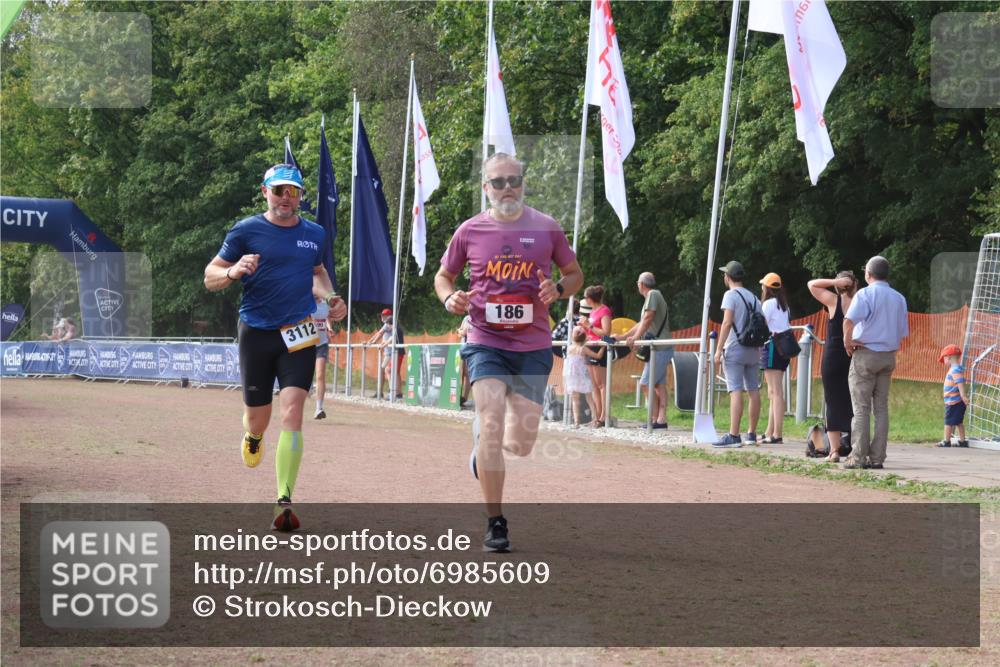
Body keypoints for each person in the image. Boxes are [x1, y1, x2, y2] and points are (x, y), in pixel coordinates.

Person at [434, 152, 583, 552]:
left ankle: (480, 458)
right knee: (491, 419)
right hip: (485, 341)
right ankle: (495, 523)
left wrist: (560, 289)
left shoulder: (547, 228)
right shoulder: (470, 230)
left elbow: (574, 274)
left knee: (520, 443)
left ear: (523, 182)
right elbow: (444, 276)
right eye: (497, 182)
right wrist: (450, 298)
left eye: (513, 180)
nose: (506, 188)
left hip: (533, 345)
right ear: (486, 188)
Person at [204, 163, 346, 531]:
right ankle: (253, 435)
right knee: (259, 418)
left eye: (293, 191)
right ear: (264, 190)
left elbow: (316, 273)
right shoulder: (246, 230)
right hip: (257, 332)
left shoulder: (314, 233)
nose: (286, 197)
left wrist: (331, 296)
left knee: (293, 411)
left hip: (298, 332)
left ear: (300, 196)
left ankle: (283, 501)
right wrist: (234, 271)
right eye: (279, 190)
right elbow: (210, 276)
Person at [843, 255, 909, 470]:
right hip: (888, 356)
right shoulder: (899, 298)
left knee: (861, 409)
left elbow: (849, 320)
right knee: (881, 408)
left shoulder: (865, 294)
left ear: (868, 274)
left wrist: (848, 343)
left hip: (865, 354)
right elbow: (902, 332)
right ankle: (878, 457)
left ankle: (858, 457)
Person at [808, 271, 858, 461]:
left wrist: (833, 282)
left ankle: (834, 451)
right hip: (853, 355)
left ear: (838, 285)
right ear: (855, 285)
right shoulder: (859, 302)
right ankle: (855, 448)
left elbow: (812, 284)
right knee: (854, 403)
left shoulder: (833, 301)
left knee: (832, 401)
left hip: (832, 356)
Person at [713, 261, 763, 447]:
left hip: (735, 347)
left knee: (735, 390)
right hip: (753, 349)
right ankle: (751, 433)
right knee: (753, 390)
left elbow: (727, 323)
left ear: (728, 277)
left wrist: (718, 349)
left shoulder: (730, 295)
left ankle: (734, 435)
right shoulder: (754, 298)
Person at [616, 272, 672, 429]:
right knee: (658, 384)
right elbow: (642, 322)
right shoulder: (654, 295)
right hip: (660, 348)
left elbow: (647, 319)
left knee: (646, 383)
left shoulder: (652, 294)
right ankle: (660, 419)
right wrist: (625, 336)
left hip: (660, 348)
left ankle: (654, 419)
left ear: (641, 284)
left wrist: (635, 338)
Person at [758, 273, 791, 445]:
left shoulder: (768, 304)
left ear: (767, 288)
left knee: (775, 392)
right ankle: (769, 431)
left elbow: (762, 325)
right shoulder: (784, 306)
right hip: (783, 349)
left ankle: (777, 433)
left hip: (771, 346)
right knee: (773, 392)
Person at [578, 285, 612, 427]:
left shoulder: (604, 311)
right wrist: (583, 329)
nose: (585, 300)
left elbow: (606, 333)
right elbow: (591, 333)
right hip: (591, 347)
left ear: (590, 298)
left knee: (602, 385)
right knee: (594, 386)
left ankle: (604, 417)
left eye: (585, 297)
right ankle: (597, 417)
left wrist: (589, 326)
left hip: (600, 348)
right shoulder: (592, 312)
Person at [565, 326, 603, 426]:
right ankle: (595, 419)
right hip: (583, 376)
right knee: (589, 398)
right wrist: (604, 346)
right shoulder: (583, 349)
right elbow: (598, 356)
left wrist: (584, 339)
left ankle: (576, 422)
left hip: (572, 377)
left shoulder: (570, 348)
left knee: (575, 400)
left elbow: (577, 341)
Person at [366, 308, 405, 399]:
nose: (382, 316)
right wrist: (372, 342)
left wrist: (379, 343)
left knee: (389, 370)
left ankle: (393, 393)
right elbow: (383, 335)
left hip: (394, 352)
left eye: (384, 315)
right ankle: (395, 393)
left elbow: (390, 337)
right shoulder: (391, 326)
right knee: (390, 371)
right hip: (391, 352)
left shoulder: (395, 327)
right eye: (382, 315)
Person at [937, 344, 969, 448]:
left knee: (948, 422)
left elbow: (960, 382)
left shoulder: (955, 370)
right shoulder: (956, 369)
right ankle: (962, 441)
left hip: (954, 402)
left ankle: (946, 441)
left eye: (944, 359)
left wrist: (963, 396)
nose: (944, 361)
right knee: (958, 422)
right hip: (954, 401)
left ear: (949, 358)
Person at [312, 294, 330, 419]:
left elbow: (328, 318)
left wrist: (330, 328)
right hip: (306, 344)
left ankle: (319, 408)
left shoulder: (325, 304)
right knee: (303, 375)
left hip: (321, 344)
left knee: (320, 375)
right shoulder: (304, 301)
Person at [457, 314, 473, 407]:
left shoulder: (471, 318)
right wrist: (460, 331)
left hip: (469, 349)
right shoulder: (466, 318)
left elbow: (463, 332)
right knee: (464, 374)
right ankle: (463, 397)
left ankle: (465, 397)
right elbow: (461, 333)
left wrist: (460, 331)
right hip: (463, 348)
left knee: (467, 374)